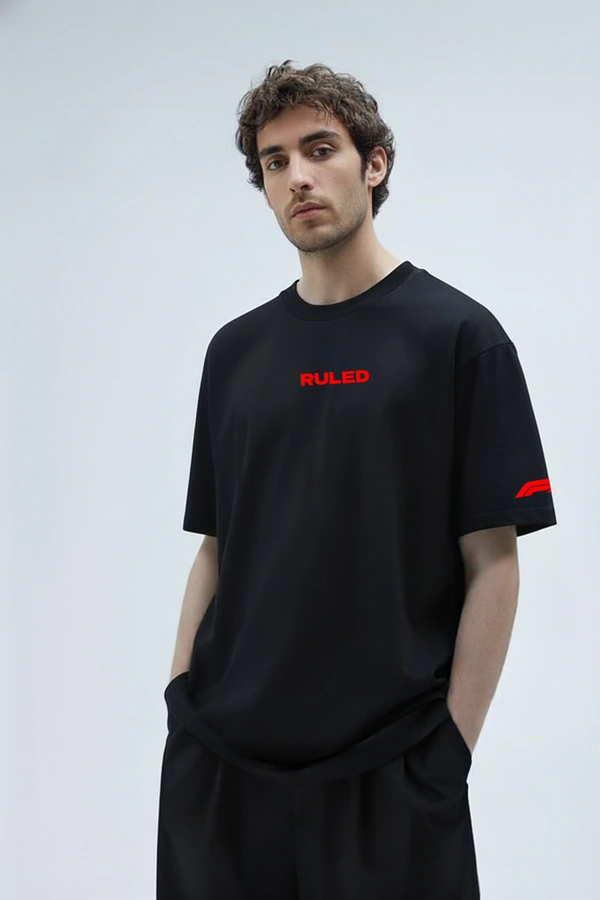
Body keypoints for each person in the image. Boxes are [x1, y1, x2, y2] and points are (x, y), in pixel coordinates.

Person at [156, 60, 557, 900]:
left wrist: (449, 753)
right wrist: (179, 698)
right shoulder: (236, 353)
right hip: (224, 767)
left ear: (373, 164)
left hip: (392, 772)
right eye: (274, 161)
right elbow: (216, 547)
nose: (297, 177)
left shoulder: (460, 338)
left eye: (319, 149)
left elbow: (494, 562)